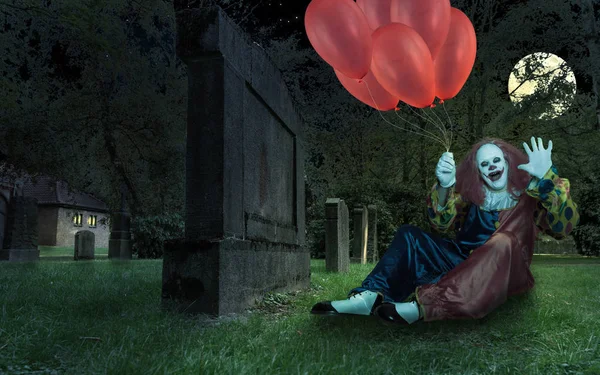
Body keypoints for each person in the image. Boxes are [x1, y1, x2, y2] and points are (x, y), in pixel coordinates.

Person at [311, 137, 579, 324]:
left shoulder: (530, 193)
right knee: (409, 234)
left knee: (503, 241)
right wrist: (443, 186)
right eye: (484, 164)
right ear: (479, 172)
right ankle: (369, 296)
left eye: (497, 161)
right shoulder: (473, 195)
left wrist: (548, 179)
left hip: (509, 270)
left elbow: (562, 227)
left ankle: (423, 307)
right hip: (461, 261)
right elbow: (439, 224)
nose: (492, 167)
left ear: (508, 163)